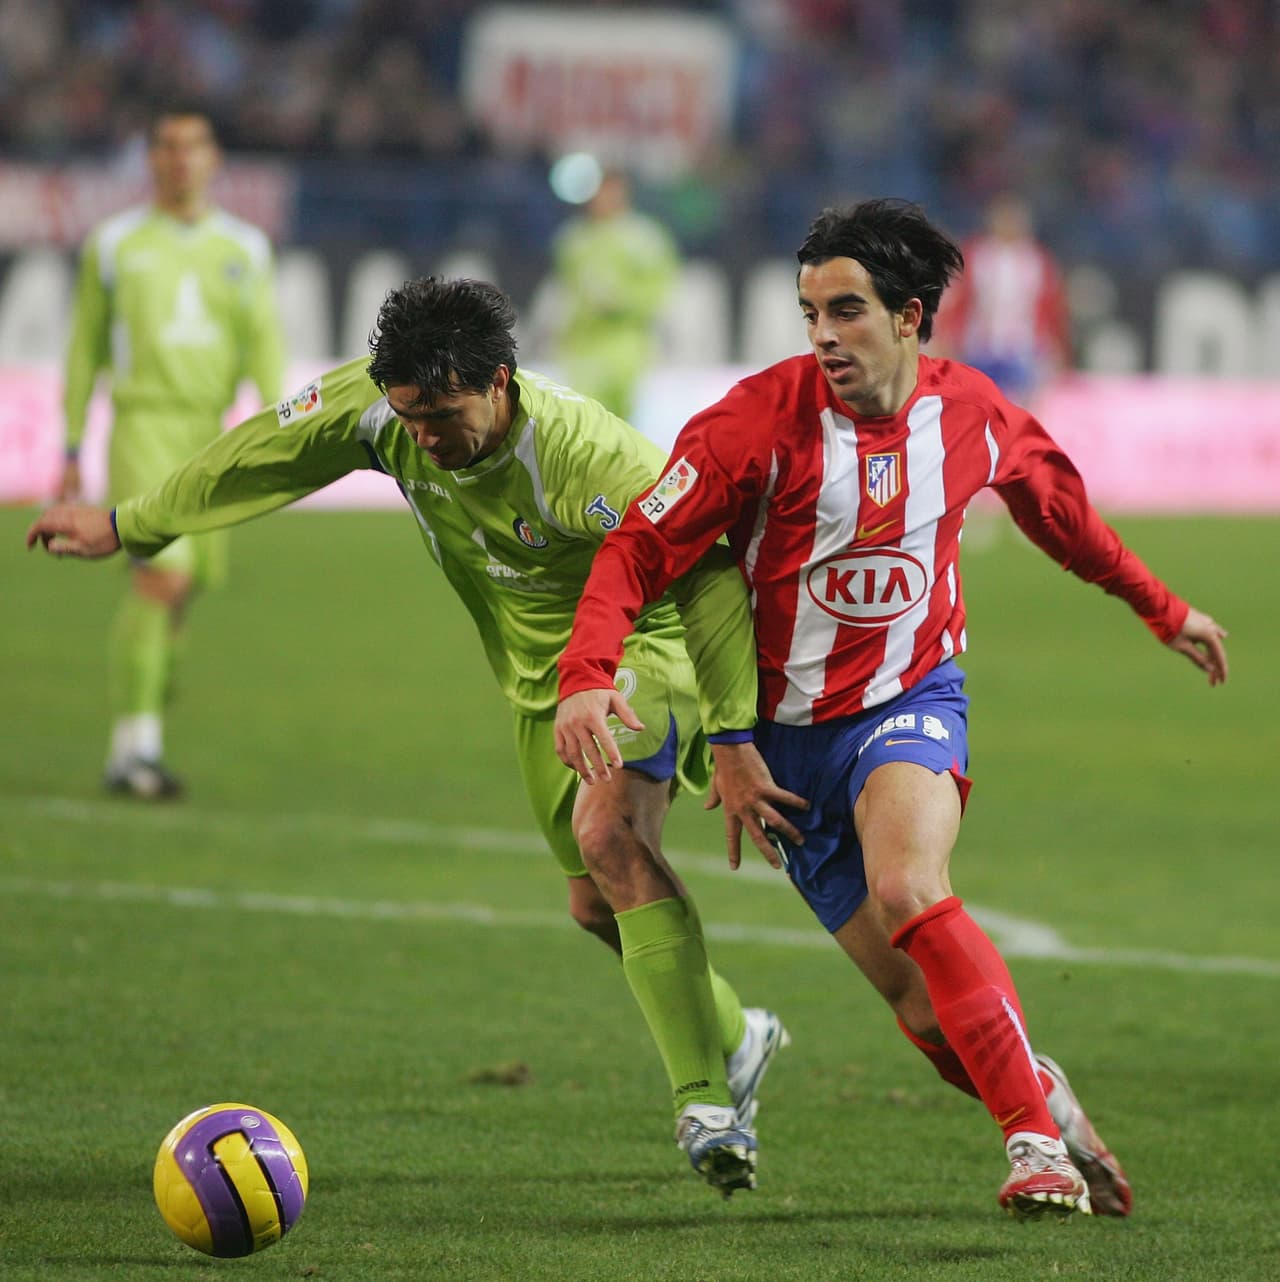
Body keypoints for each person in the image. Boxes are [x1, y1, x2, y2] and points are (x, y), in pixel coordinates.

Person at [29, 276, 787, 1198]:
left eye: (445, 415)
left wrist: (737, 734)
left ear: (500, 381)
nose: (424, 437)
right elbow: (267, 451)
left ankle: (706, 1103)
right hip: (535, 681)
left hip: (642, 645)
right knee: (595, 906)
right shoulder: (382, 411)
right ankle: (737, 1035)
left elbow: (706, 575)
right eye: (409, 416)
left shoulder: (591, 457)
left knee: (607, 835)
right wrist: (128, 523)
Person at [554, 199, 1229, 1220]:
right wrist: (587, 671)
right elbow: (637, 548)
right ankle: (1036, 1091)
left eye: (846, 310)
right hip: (783, 750)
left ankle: (1030, 1145)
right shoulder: (749, 425)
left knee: (911, 885)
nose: (822, 333)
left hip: (907, 700)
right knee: (922, 1010)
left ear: (910, 316)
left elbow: (1056, 509)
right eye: (808, 311)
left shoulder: (968, 413)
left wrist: (1158, 606)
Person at [60, 102, 285, 800]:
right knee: (162, 579)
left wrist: (279, 431)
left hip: (211, 435)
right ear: (151, 158)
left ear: (214, 158)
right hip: (142, 428)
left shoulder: (245, 248)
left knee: (185, 592)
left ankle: (147, 702)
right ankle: (133, 749)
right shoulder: (115, 243)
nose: (179, 157)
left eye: (192, 146)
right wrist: (72, 442)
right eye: (165, 145)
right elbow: (85, 348)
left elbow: (263, 341)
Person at [550, 168, 680, 422]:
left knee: (624, 425)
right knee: (585, 422)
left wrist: (622, 301)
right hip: (583, 345)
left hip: (629, 342)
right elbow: (565, 288)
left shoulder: (644, 237)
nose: (603, 198)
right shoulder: (574, 238)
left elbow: (661, 288)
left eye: (610, 191)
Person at [931, 191, 1070, 408]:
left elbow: (1052, 307)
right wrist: (946, 335)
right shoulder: (976, 255)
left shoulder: (1037, 259)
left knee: (1025, 408)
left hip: (1023, 347)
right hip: (980, 345)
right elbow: (957, 298)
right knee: (974, 404)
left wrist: (1057, 346)